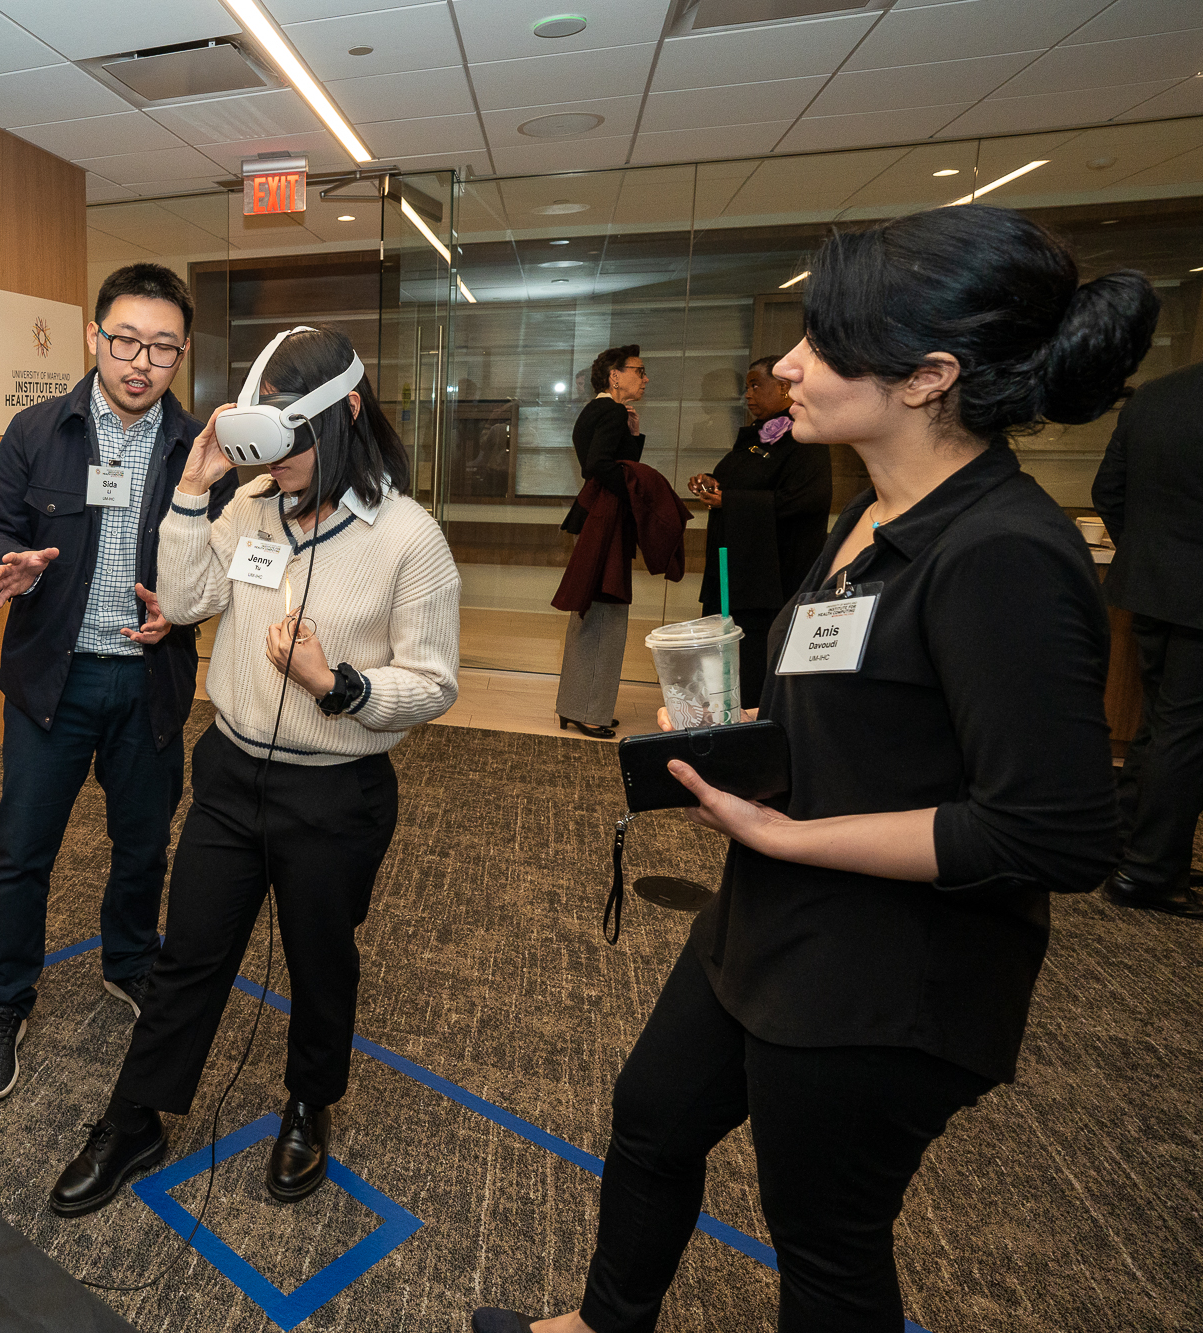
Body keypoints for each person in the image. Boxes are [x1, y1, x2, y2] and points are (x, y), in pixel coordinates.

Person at [475, 204, 1158, 1333]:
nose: (788, 366)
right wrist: (755, 734)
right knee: (651, 1114)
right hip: (774, 914)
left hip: (883, 977)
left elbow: (1051, 833)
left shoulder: (1000, 554)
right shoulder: (869, 513)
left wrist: (785, 833)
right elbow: (858, 697)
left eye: (825, 344)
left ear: (930, 374)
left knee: (825, 1246)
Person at [46, 327, 460, 1216]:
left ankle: (309, 1104)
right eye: (270, 441)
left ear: (347, 412)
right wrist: (194, 492)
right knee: (189, 950)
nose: (284, 463)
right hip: (232, 772)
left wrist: (339, 685)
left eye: (295, 440)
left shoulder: (408, 538)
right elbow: (188, 598)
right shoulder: (254, 506)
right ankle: (136, 1114)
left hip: (335, 790)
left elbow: (432, 681)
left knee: (319, 961)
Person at [0, 264, 238, 1101]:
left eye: (161, 347)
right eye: (125, 340)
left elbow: (224, 564)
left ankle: (127, 962)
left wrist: (182, 612)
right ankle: (3, 1002)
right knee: (22, 854)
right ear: (94, 337)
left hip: (149, 683)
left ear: (182, 353)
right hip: (53, 682)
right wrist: (9, 564)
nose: (140, 361)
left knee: (143, 844)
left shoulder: (203, 455)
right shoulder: (38, 432)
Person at [1092, 359, 1203, 917]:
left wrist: (1153, 556)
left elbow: (1107, 489)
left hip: (1152, 587)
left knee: (1161, 723)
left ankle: (1126, 845)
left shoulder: (1157, 395)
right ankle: (1151, 872)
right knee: (1184, 733)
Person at [688, 357, 834, 702]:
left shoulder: (805, 438)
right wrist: (712, 484)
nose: (748, 395)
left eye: (756, 385)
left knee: (754, 657)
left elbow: (807, 499)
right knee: (722, 652)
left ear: (784, 388)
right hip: (735, 569)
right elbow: (740, 480)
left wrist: (732, 501)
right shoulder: (755, 437)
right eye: (746, 387)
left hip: (771, 576)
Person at [557, 346, 650, 738]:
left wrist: (632, 436)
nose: (645, 379)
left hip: (596, 517)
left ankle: (576, 704)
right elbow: (598, 465)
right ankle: (588, 710)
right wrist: (636, 491)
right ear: (614, 375)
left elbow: (605, 461)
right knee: (604, 613)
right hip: (606, 521)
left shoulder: (597, 411)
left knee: (591, 612)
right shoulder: (610, 411)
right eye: (639, 371)